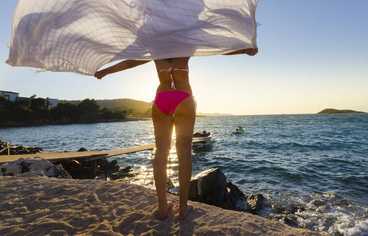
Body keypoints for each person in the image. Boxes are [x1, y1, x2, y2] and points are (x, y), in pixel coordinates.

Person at [94, 48, 257, 220]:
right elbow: (215, 47)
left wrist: (104, 72)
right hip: (183, 99)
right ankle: (183, 208)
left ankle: (163, 207)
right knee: (184, 153)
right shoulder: (184, 43)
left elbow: (130, 62)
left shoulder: (155, 48)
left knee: (161, 152)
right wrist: (244, 50)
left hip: (161, 99)